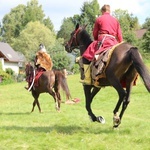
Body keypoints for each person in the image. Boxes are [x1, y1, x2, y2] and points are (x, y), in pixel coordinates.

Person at [81, 4, 123, 85]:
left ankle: (87, 79)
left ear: (102, 11)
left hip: (103, 41)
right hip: (114, 42)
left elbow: (95, 33)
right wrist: (120, 43)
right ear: (109, 11)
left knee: (86, 55)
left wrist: (96, 40)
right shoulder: (115, 20)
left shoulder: (99, 19)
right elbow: (119, 34)